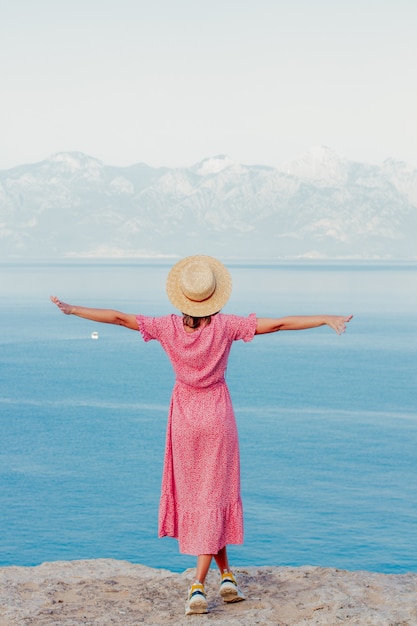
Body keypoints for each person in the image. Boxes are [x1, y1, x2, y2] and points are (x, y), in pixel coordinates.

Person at [50, 254, 352, 616]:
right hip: (218, 417)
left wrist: (72, 310)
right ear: (213, 296)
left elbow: (117, 317)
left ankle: (226, 577)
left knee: (203, 495)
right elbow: (280, 324)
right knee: (216, 493)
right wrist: (324, 318)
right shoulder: (225, 326)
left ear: (181, 296)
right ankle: (198, 585)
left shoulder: (166, 327)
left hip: (184, 420)